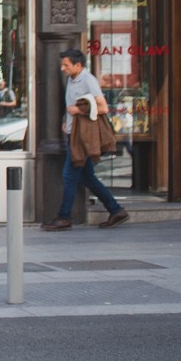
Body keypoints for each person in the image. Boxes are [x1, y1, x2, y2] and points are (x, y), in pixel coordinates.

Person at [50, 48, 129, 231]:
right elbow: (71, 105)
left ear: (78, 65)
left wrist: (78, 111)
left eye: (66, 65)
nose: (62, 68)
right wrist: (66, 121)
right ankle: (116, 210)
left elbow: (103, 108)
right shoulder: (72, 79)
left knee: (69, 175)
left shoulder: (88, 80)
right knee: (87, 177)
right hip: (73, 134)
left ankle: (64, 217)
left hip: (82, 138)